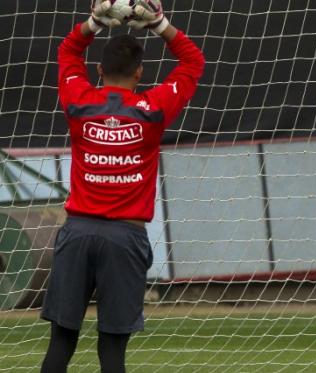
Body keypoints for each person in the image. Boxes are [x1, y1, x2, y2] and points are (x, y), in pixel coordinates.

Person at [40, 1, 204, 372]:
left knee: (61, 343)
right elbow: (193, 62)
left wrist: (95, 22)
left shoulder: (80, 101)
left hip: (78, 232)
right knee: (112, 351)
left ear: (98, 70)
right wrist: (160, 24)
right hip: (125, 238)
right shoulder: (153, 108)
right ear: (140, 73)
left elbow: (67, 50)